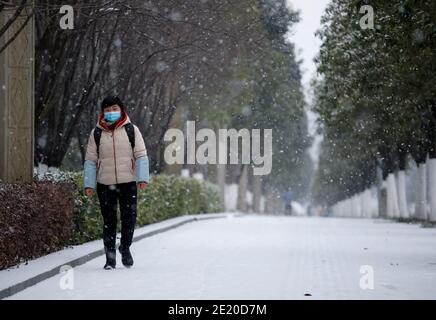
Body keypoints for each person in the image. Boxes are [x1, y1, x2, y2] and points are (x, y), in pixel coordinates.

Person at [83, 95, 149, 270]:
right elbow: (90, 160)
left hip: (128, 182)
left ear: (121, 110)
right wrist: (89, 184)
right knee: (109, 221)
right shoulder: (96, 133)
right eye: (107, 110)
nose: (111, 112)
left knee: (129, 219)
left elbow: (141, 155)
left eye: (114, 109)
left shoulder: (131, 130)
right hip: (105, 183)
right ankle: (110, 259)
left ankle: (125, 247)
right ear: (102, 112)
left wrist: (142, 178)